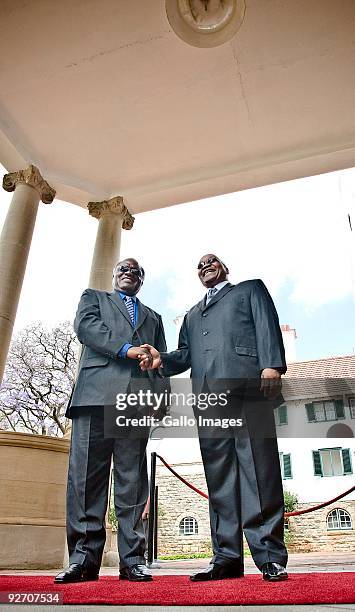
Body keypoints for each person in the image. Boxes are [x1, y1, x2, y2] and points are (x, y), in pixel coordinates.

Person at [140, 254, 288, 582]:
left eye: (212, 260)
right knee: (219, 477)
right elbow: (184, 356)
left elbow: (267, 325)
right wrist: (159, 359)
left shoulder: (250, 290)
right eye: (200, 264)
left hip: (247, 386)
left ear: (225, 267)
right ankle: (226, 557)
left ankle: (269, 557)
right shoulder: (192, 315)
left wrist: (272, 365)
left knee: (258, 471)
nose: (206, 264)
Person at [55, 258, 168, 583]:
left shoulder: (154, 317)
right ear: (115, 274)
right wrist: (126, 349)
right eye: (124, 269)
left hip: (135, 403)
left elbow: (159, 360)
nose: (129, 274)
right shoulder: (93, 298)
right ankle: (83, 560)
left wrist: (160, 399)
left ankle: (132, 560)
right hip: (95, 397)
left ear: (142, 280)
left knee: (132, 482)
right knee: (86, 480)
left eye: (136, 271)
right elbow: (87, 329)